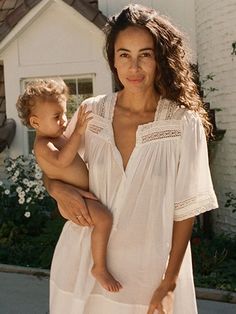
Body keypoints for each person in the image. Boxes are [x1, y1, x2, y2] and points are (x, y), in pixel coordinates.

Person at [44, 4, 218, 314]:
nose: (134, 67)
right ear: (113, 59)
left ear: (160, 58)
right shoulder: (91, 113)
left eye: (145, 54)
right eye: (124, 54)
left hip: (148, 278)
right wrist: (58, 190)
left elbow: (186, 210)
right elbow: (53, 166)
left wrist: (169, 283)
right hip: (82, 268)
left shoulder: (183, 124)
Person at [16, 79, 122, 292]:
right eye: (57, 117)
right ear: (35, 122)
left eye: (64, 113)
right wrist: (79, 131)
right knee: (104, 218)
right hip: (74, 199)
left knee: (103, 219)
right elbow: (63, 160)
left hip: (80, 194)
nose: (64, 120)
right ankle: (99, 267)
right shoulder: (43, 145)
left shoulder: (58, 136)